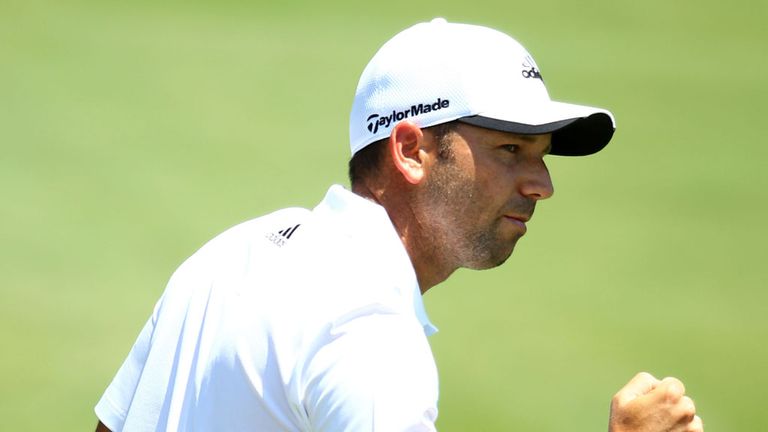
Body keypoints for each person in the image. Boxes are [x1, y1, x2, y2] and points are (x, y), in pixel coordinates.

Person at [95, 18, 703, 431]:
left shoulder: (233, 254)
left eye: (540, 155)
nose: (541, 184)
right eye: (509, 152)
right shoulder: (371, 337)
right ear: (412, 151)